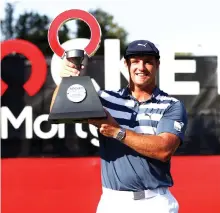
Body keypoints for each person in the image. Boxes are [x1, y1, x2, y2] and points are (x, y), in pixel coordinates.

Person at [50, 40, 188, 213]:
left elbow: (164, 150)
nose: (141, 67)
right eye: (135, 61)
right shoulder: (106, 99)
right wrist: (66, 80)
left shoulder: (171, 105)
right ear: (126, 64)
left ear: (157, 65)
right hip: (112, 203)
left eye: (148, 61)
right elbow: (60, 110)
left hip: (155, 203)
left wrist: (117, 131)